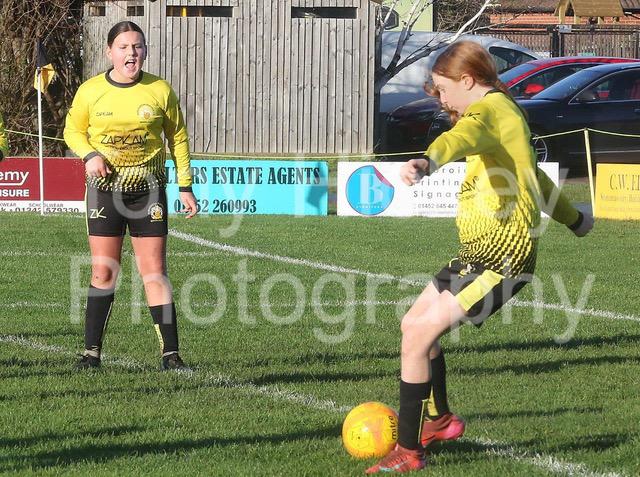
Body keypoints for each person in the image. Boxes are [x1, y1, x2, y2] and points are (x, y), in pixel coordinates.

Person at [366, 41, 594, 474]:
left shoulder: (489, 112)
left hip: (503, 257)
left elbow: (459, 138)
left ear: (467, 80)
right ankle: (440, 420)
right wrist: (575, 219)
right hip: (478, 253)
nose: (441, 98)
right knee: (413, 326)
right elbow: (535, 181)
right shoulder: (505, 115)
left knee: (417, 337)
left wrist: (428, 161)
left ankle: (410, 451)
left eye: (443, 88)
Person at [64, 21, 198, 371]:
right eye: (123, 47)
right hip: (104, 193)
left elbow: (178, 138)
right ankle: (91, 354)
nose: (131, 53)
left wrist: (185, 185)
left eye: (137, 46)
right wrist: (89, 155)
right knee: (103, 271)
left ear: (145, 51)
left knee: (155, 272)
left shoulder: (160, 90)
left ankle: (171, 355)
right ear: (109, 52)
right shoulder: (91, 91)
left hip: (148, 193)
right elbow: (72, 131)